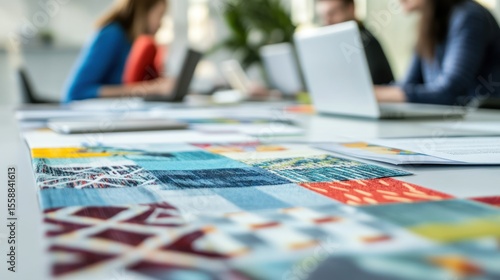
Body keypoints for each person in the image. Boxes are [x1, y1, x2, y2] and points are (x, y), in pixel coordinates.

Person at [375, 0, 500, 106]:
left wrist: (377, 94)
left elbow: (450, 90)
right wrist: (372, 93)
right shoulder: (429, 24)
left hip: (481, 120)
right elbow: (408, 83)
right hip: (451, 118)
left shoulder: (470, 17)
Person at [63, 0, 174, 103]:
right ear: (144, 11)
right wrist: (151, 89)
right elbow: (76, 92)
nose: (160, 24)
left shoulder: (133, 42)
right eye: (160, 15)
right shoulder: (112, 34)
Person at [316, 0, 395, 85]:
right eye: (322, 17)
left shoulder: (366, 42)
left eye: (332, 13)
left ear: (351, 8)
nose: (328, 21)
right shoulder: (329, 45)